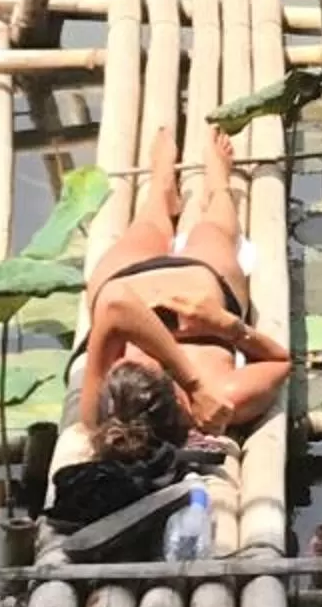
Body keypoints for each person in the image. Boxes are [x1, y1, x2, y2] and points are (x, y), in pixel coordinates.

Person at [75, 125, 290, 444]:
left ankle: (161, 185)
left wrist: (193, 383)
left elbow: (117, 304)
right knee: (213, 230)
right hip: (196, 291)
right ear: (183, 409)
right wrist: (223, 325)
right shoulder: (221, 399)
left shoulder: (99, 415)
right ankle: (218, 184)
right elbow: (280, 361)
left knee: (148, 225)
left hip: (129, 283)